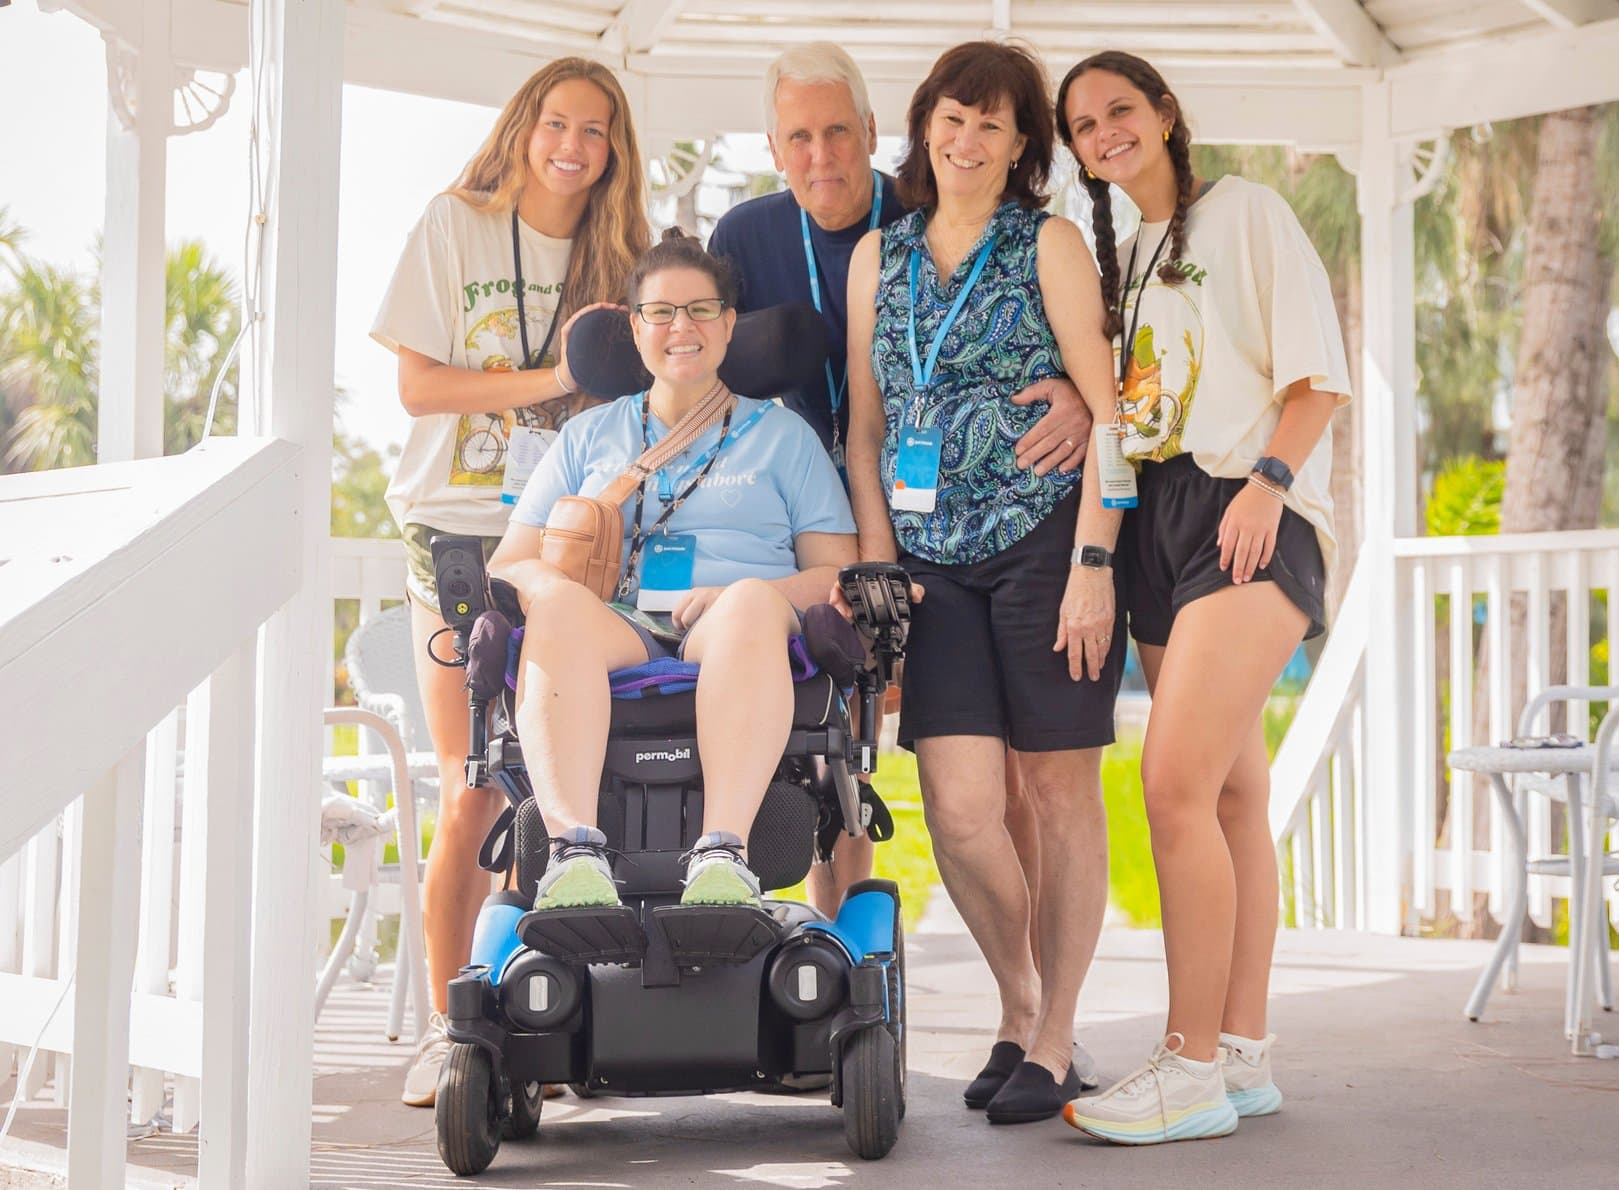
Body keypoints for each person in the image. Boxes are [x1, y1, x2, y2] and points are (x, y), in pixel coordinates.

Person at [708, 43, 1099, 1012]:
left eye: (837, 130)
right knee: (849, 763)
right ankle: (837, 987)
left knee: (1020, 788)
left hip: (993, 530)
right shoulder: (765, 235)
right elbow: (693, 349)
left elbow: (1098, 363)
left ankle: (1044, 1017)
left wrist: (1088, 412)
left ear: (877, 133)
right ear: (772, 146)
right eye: (797, 136)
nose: (820, 153)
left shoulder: (988, 229)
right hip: (838, 532)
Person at [1055, 52, 1351, 1145]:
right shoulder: (1121, 256)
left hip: (1244, 503)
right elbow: (1123, 406)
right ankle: (1237, 1049)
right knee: (1229, 797)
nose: (1103, 133)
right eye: (1083, 125)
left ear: (1165, 113)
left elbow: (1315, 374)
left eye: (1119, 110)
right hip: (1156, 523)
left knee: (1172, 787)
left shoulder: (1246, 211)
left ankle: (1183, 1067)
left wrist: (1270, 484)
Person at [844, 40, 1122, 1125]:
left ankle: (1050, 1038)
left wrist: (1093, 559)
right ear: (924, 123)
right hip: (926, 570)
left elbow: (1110, 414)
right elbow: (864, 435)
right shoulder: (881, 256)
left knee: (1056, 793)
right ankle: (1019, 1001)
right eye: (953, 117)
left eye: (992, 127)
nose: (966, 140)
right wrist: (879, 567)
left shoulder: (1045, 243)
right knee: (959, 812)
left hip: (1044, 546)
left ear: (1021, 151)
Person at [370, 56, 651, 1107]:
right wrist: (556, 379)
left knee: (571, 780)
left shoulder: (616, 253)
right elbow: (417, 385)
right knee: (473, 782)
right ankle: (456, 1025)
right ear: (524, 125)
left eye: (595, 130)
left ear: (614, 149)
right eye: (556, 123)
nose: (571, 145)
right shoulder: (456, 225)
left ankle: (548, 1021)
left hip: (566, 541)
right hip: (454, 527)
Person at [491, 228, 858, 912]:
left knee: (750, 601)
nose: (679, 327)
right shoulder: (587, 436)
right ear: (635, 329)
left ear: (727, 325)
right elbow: (510, 562)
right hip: (618, 625)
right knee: (558, 606)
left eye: (699, 309)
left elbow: (835, 573)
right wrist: (554, 591)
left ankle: (722, 852)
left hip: (735, 630)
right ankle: (574, 853)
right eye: (660, 312)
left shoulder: (783, 437)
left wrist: (741, 594)